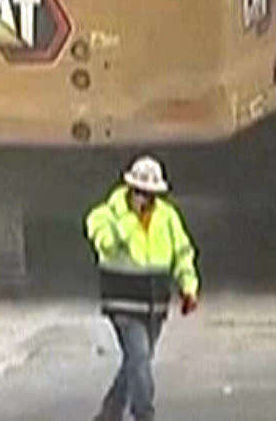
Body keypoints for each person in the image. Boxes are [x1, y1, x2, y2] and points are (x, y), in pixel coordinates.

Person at [85, 155, 198, 421]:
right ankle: (144, 413)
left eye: (151, 194)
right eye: (140, 193)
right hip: (122, 302)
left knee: (137, 363)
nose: (146, 200)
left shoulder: (168, 216)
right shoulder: (104, 215)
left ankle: (109, 413)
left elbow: (182, 252)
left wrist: (188, 286)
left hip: (155, 304)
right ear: (130, 189)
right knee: (140, 357)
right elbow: (106, 245)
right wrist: (129, 220)